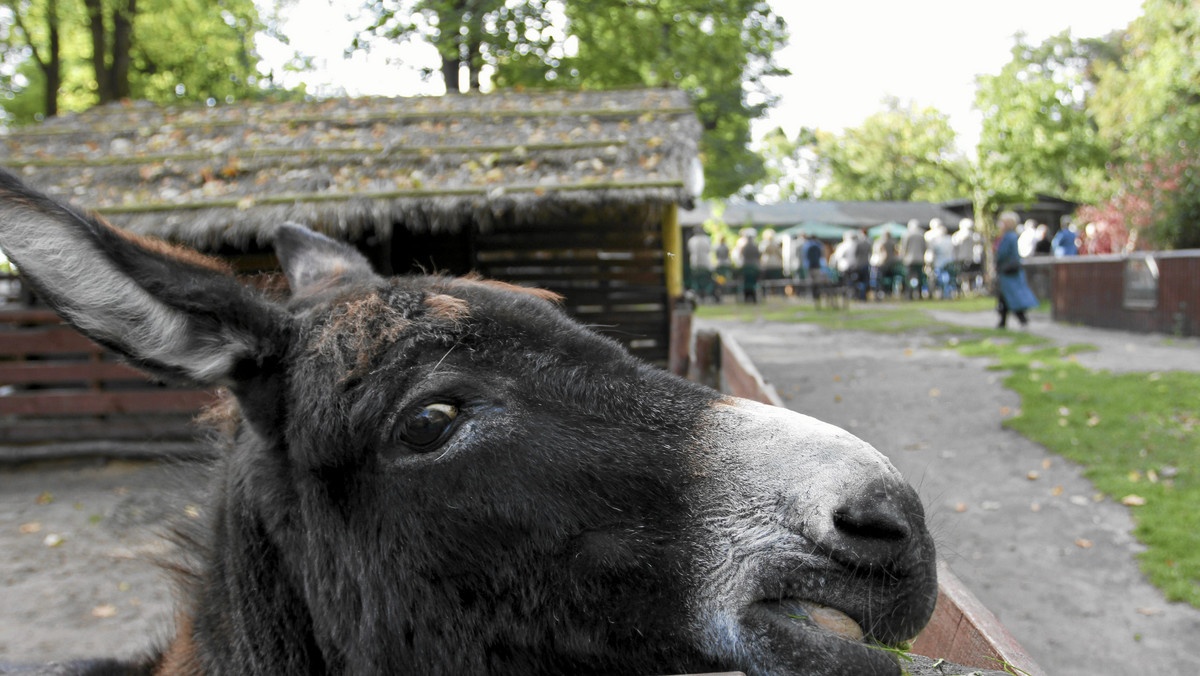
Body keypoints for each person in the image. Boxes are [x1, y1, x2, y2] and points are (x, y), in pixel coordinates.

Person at [994, 211, 1038, 329]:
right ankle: (1003, 322)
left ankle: (1020, 320)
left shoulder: (1009, 237)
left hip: (1009, 271)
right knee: (1006, 297)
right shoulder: (1009, 236)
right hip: (1008, 271)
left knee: (1011, 296)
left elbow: (1004, 253)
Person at [951, 218, 984, 292]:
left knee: (965, 274)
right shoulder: (975, 236)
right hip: (971, 258)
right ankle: (970, 288)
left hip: (962, 258)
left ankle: (967, 288)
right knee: (970, 274)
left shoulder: (957, 235)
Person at [925, 219, 955, 298]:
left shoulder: (933, 239)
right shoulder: (950, 239)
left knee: (936, 277)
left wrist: (928, 262)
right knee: (947, 278)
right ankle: (947, 293)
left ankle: (936, 292)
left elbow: (931, 252)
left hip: (938, 263)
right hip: (949, 262)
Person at [898, 219, 927, 300]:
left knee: (909, 277)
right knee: (920, 277)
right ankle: (919, 294)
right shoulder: (922, 234)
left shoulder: (906, 234)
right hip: (920, 259)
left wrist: (903, 257)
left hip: (909, 259)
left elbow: (904, 248)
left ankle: (909, 294)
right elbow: (924, 247)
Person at [686, 227, 714, 301]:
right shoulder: (707, 239)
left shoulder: (691, 240)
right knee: (705, 281)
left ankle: (700, 294)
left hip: (695, 264)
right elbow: (709, 250)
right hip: (705, 264)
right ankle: (704, 294)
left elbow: (689, 250)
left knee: (697, 281)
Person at [870, 229, 898, 297]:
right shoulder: (893, 242)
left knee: (880, 279)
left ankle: (880, 291)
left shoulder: (879, 242)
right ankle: (888, 292)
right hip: (891, 263)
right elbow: (896, 252)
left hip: (882, 264)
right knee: (890, 279)